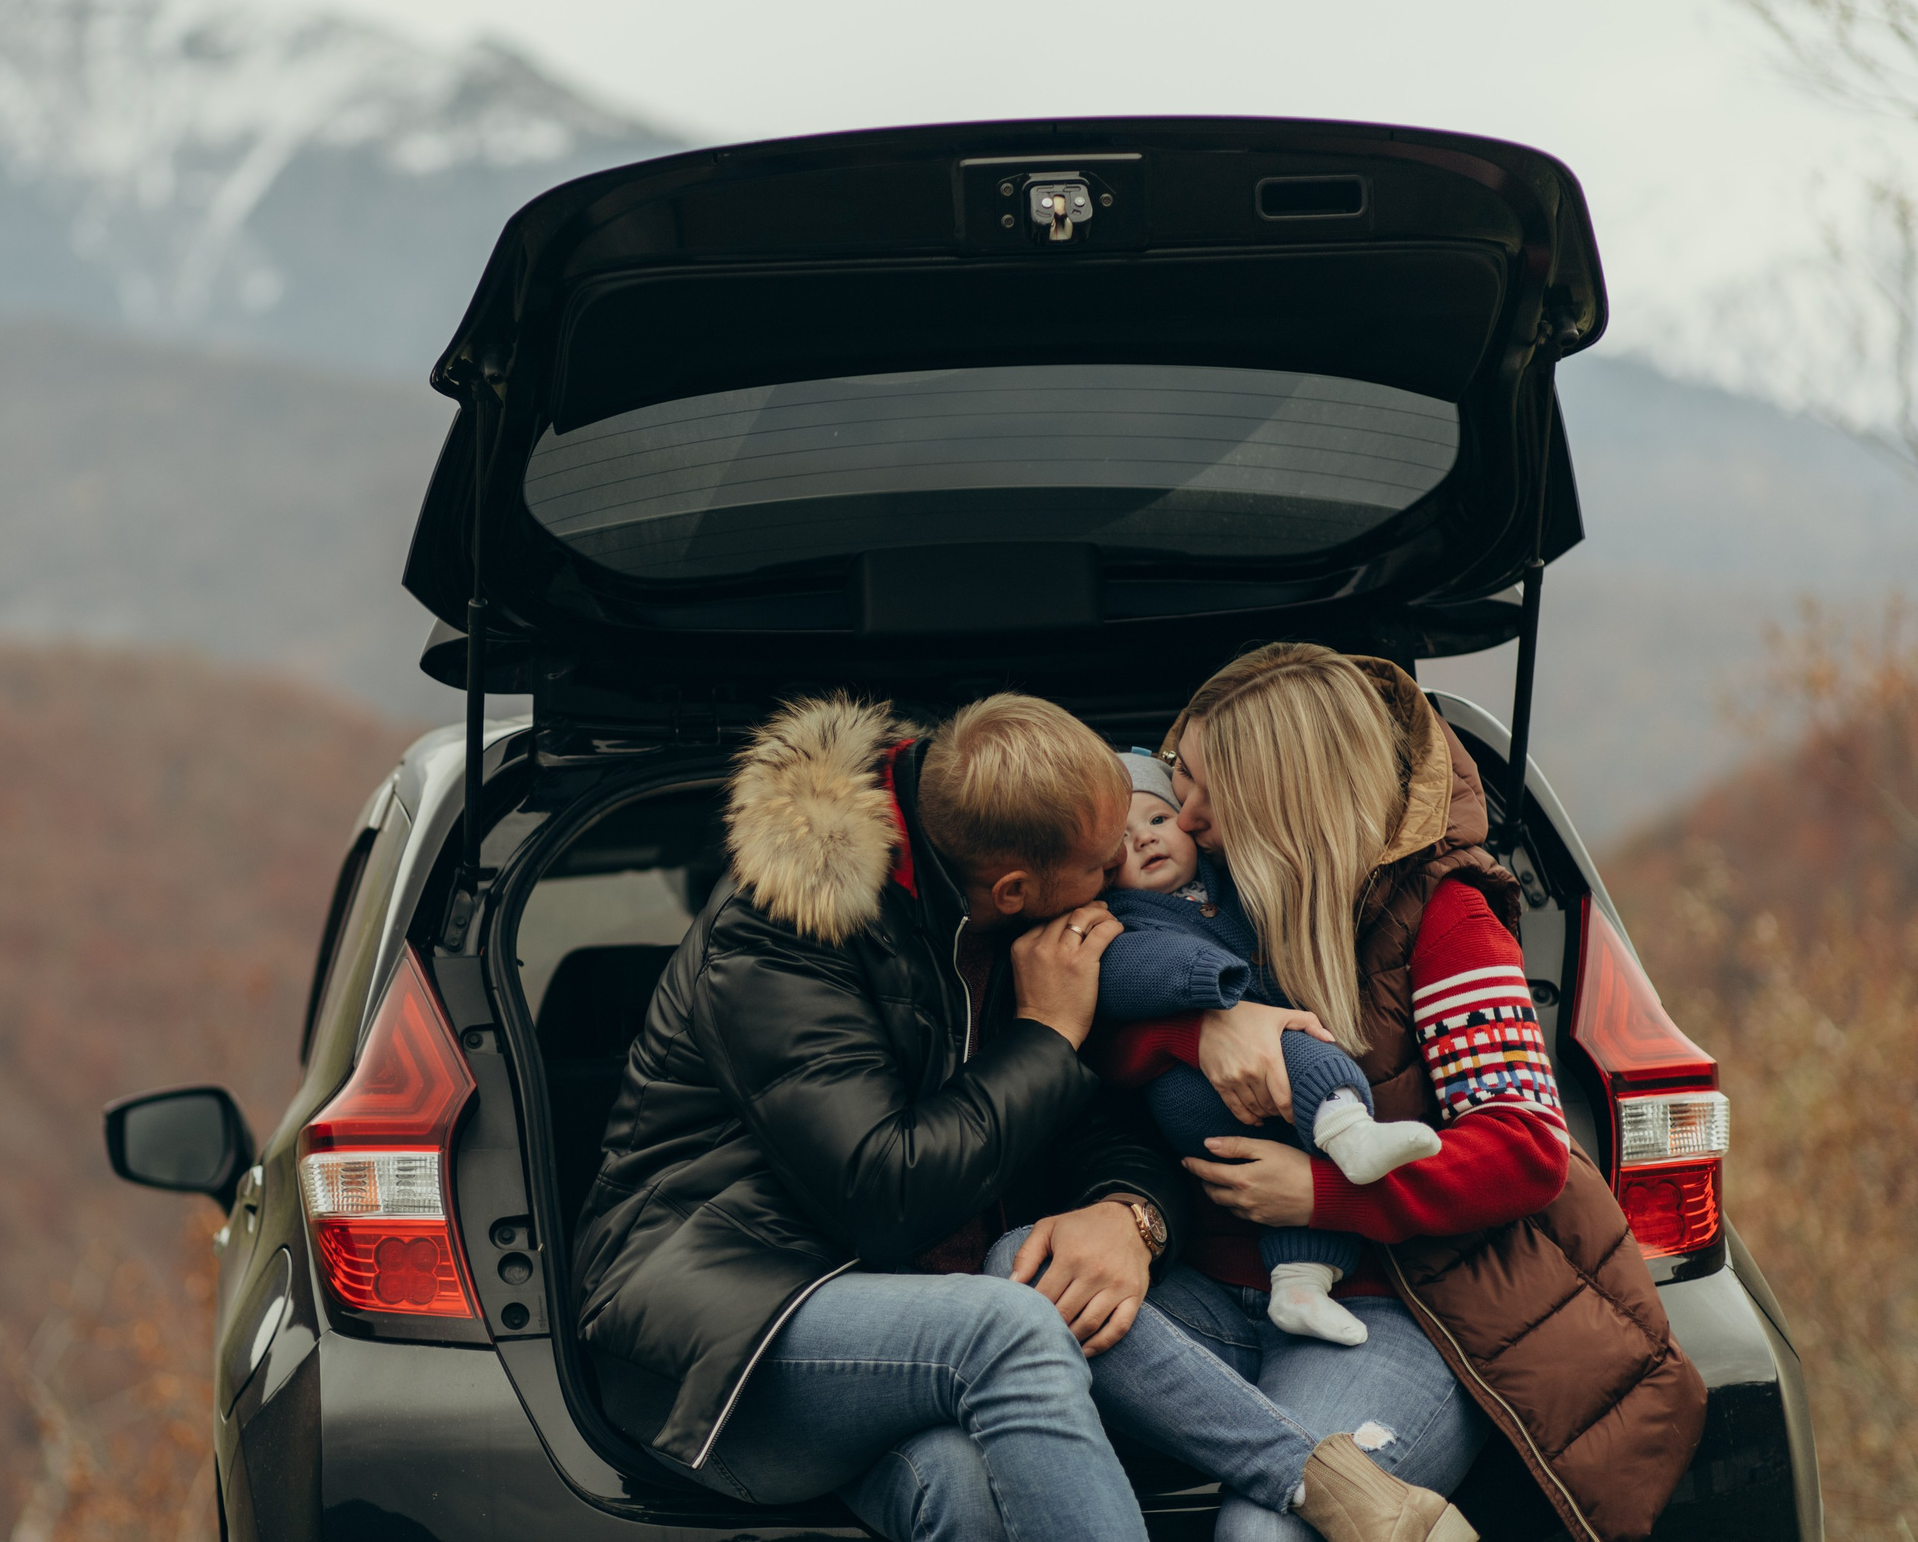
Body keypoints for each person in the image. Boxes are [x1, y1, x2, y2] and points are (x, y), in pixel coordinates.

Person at [991, 644, 1704, 1542]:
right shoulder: (1209, 899)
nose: (1187, 815)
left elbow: (1525, 1147)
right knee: (1020, 1278)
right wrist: (1207, 1027)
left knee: (1265, 1534)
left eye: (1207, 789)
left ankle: (1309, 1487)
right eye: (1180, 783)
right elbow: (1100, 1008)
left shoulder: (1443, 917)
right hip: (1209, 1301)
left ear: (1281, 791)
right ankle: (1315, 1476)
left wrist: (1321, 1192)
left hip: (1388, 1311)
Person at [572, 692, 1191, 1542]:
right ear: (1013, 887)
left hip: (905, 1347)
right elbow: (884, 1191)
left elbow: (1100, 1116)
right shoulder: (779, 929)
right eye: (1100, 859)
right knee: (1008, 1329)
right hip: (722, 1338)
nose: (1123, 868)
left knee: (965, 1491)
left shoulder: (1027, 930)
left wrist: (1129, 1210)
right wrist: (1044, 1036)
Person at [1094, 751, 1440, 1347]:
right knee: (1301, 1044)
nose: (1144, 840)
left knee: (1301, 1170)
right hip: (1194, 1091)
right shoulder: (1123, 918)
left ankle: (1299, 1287)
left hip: (1258, 1101)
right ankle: (1352, 1131)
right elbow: (1125, 972)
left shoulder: (1236, 887)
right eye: (1120, 840)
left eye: (1156, 819)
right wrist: (1220, 989)